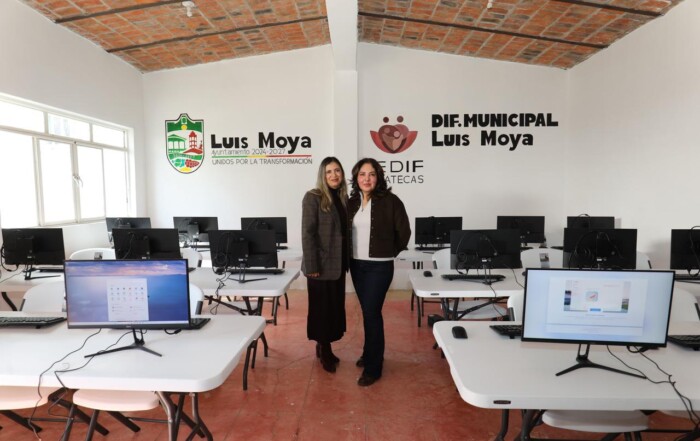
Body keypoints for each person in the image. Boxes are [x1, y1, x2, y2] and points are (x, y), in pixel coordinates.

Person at [348, 158, 411, 386]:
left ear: (379, 177)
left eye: (372, 174)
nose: (367, 179)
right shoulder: (352, 202)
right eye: (362, 174)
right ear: (356, 178)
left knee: (372, 313)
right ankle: (369, 353)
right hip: (357, 265)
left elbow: (404, 232)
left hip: (380, 267)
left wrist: (388, 252)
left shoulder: (391, 201)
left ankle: (374, 368)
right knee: (367, 312)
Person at [301, 157, 349, 373]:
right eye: (329, 171)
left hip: (338, 265)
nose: (334, 175)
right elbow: (307, 233)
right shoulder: (313, 197)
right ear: (322, 175)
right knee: (321, 310)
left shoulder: (343, 198)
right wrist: (312, 265)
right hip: (319, 266)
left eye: (337, 171)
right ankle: (324, 349)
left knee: (334, 309)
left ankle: (324, 345)